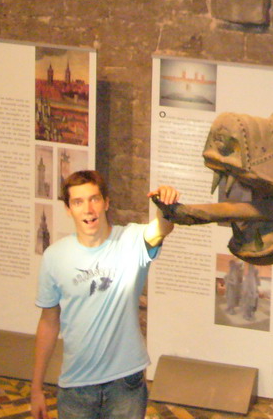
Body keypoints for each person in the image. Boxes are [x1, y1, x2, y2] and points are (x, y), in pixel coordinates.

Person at [30, 170, 180, 419]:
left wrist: (166, 206)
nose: (88, 209)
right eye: (78, 202)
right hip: (76, 386)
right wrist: (36, 388)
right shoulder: (54, 257)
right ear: (68, 209)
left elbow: (162, 228)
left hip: (125, 385)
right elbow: (49, 321)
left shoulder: (131, 240)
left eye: (94, 199)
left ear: (106, 202)